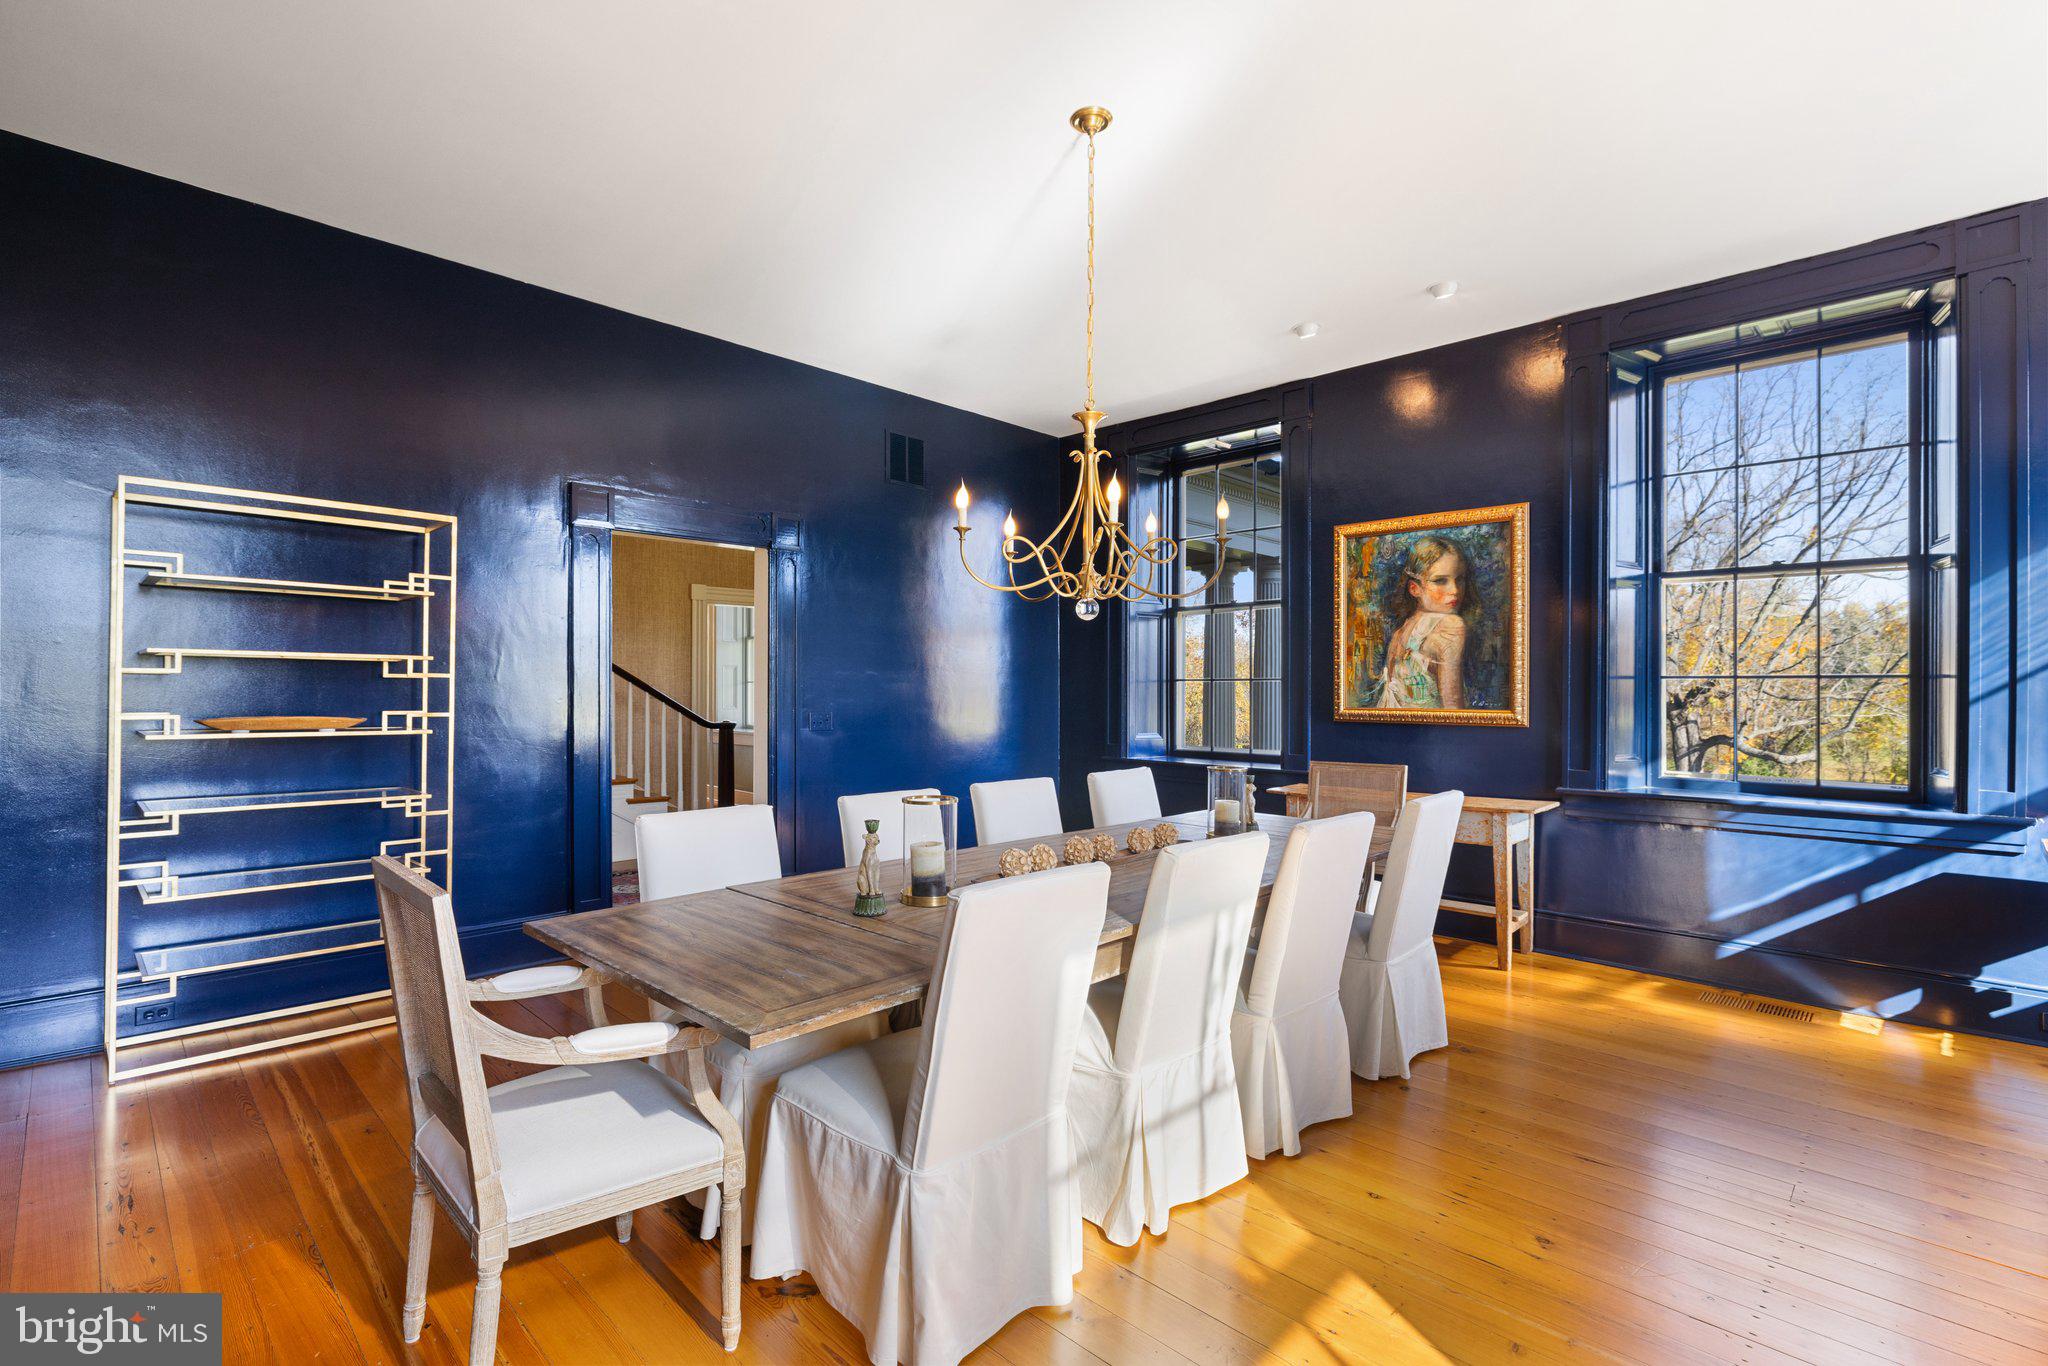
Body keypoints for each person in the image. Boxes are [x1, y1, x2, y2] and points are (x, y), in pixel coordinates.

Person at [1374, 536, 1471, 709]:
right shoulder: (1451, 625)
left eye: (1460, 579)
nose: (1455, 590)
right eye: (1440, 580)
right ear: (1414, 588)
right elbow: (1453, 708)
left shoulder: (1399, 634)